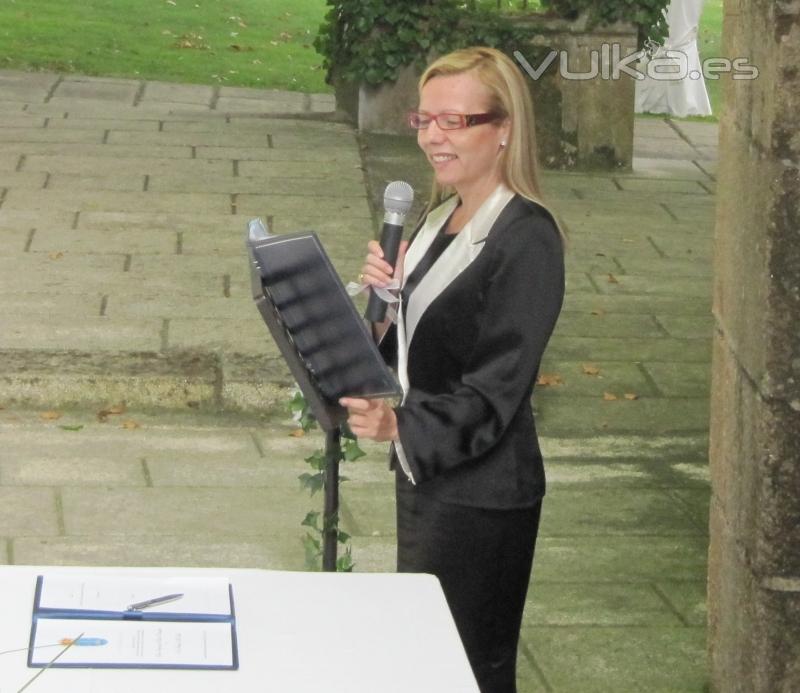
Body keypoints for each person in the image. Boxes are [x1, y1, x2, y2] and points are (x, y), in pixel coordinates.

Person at [339, 46, 565, 693]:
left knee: (469, 670)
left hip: (485, 494)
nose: (433, 136)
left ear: (504, 131)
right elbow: (413, 349)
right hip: (432, 480)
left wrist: (399, 426)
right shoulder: (441, 217)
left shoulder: (528, 239)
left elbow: (496, 392)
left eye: (454, 121)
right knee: (428, 663)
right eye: (424, 119)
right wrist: (381, 307)